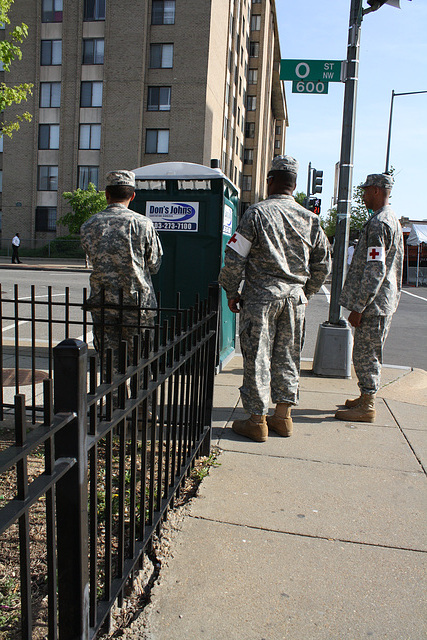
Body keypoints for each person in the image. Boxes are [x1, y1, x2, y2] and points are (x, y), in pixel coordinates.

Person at [218, 155, 331, 442]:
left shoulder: (256, 213)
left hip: (261, 298)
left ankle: (257, 421)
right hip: (295, 300)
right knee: (288, 357)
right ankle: (282, 417)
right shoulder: (311, 219)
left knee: (257, 358)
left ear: (270, 181)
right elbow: (323, 264)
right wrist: (306, 291)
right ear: (294, 185)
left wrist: (231, 292)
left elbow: (234, 258)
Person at [335, 173, 403, 423]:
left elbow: (376, 268)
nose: (363, 195)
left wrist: (360, 306)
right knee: (369, 352)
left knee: (366, 354)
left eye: (366, 191)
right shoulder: (391, 219)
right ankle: (365, 397)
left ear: (376, 191)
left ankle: (368, 405)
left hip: (373, 305)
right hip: (383, 301)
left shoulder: (379, 223)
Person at [80, 170, 163, 374]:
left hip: (103, 301)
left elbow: (91, 257)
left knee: (109, 360)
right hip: (137, 303)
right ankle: (143, 405)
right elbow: (154, 264)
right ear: (132, 195)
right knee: (141, 359)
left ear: (107, 194)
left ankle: (115, 404)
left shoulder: (89, 225)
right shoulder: (143, 224)